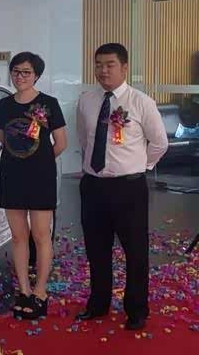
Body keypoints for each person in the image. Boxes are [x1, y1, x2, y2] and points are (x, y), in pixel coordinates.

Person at [76, 43, 168, 330]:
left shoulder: (141, 102)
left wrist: (141, 166)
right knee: (96, 249)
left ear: (124, 67)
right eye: (98, 64)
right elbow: (85, 138)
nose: (103, 71)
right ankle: (98, 304)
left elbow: (160, 143)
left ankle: (137, 309)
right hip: (93, 186)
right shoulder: (87, 101)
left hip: (129, 189)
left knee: (135, 251)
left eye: (110, 65)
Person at [0, 52, 67, 320]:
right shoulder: (5, 105)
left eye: (26, 72)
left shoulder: (49, 103)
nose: (20, 76)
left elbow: (61, 143)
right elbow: (2, 137)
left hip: (40, 178)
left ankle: (40, 292)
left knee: (40, 235)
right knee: (18, 236)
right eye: (16, 71)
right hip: (11, 175)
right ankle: (24, 290)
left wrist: (40, 162)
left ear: (36, 75)